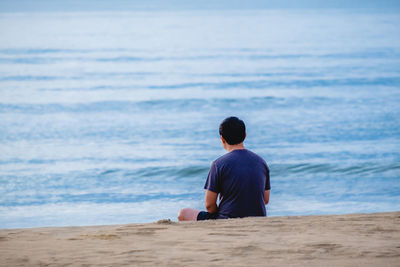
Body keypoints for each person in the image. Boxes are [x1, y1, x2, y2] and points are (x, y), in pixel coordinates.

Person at [178, 116, 270, 221]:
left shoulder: (219, 164)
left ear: (222, 139)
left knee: (183, 213)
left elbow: (209, 205)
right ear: (245, 135)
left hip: (227, 219)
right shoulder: (261, 162)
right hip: (258, 218)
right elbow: (265, 199)